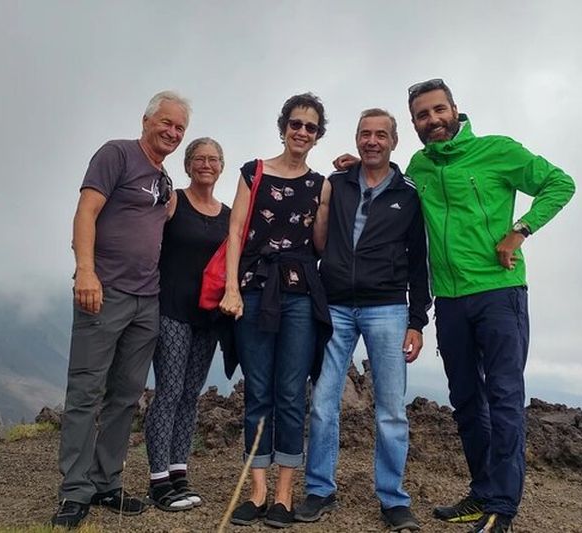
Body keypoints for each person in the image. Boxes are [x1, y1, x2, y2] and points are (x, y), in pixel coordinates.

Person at [405, 79, 576, 533]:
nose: (432, 120)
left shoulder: (497, 150)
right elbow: (393, 193)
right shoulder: (419, 166)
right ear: (415, 123)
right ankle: (482, 492)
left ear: (455, 110)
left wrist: (520, 230)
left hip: (500, 293)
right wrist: (356, 168)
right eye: (422, 115)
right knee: (465, 400)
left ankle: (502, 506)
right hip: (449, 300)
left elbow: (560, 184)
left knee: (504, 398)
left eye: (438, 110)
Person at [51, 91, 190, 529]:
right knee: (85, 392)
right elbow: (86, 211)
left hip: (147, 300)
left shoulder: (165, 180)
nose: (172, 132)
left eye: (180, 128)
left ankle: (106, 482)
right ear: (146, 121)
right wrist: (85, 271)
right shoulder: (117, 154)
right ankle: (75, 491)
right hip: (104, 291)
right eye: (166, 122)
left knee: (126, 396)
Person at [295, 108, 431, 532]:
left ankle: (393, 499)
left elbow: (419, 261)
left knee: (391, 410)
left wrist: (417, 320)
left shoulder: (409, 194)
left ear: (394, 141)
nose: (372, 141)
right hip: (334, 305)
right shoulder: (336, 184)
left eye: (380, 135)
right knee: (322, 403)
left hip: (388, 308)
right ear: (356, 139)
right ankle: (319, 490)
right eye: (365, 134)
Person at [219, 93, 332, 529]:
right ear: (283, 127)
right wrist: (231, 288)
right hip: (253, 289)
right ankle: (257, 491)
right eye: (296, 124)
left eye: (311, 127)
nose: (302, 132)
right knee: (257, 390)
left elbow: (319, 244)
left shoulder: (321, 184)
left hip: (300, 293)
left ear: (318, 136)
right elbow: (235, 231)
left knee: (290, 392)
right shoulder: (254, 173)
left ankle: (284, 493)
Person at [144, 138, 231, 512]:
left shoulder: (229, 215)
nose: (206, 165)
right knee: (169, 391)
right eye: (199, 158)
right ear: (188, 164)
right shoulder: (174, 202)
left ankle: (179, 472)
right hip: (171, 309)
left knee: (190, 395)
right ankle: (158, 480)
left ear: (221, 166)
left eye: (213, 159)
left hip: (208, 316)